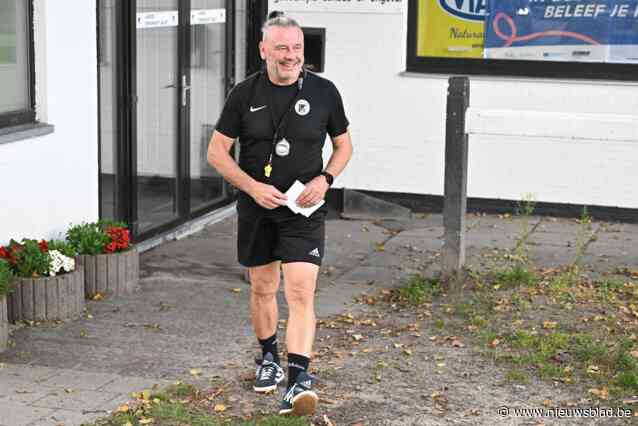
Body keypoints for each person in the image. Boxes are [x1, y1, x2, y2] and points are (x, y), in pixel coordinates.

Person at [207, 11, 353, 416]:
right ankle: (268, 358)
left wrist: (324, 179)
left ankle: (298, 378)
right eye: (282, 48)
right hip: (257, 209)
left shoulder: (324, 92)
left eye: (297, 48)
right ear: (264, 49)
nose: (291, 56)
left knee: (302, 291)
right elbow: (216, 152)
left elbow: (343, 146)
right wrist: (252, 187)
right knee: (262, 288)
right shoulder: (243, 94)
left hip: (303, 210)